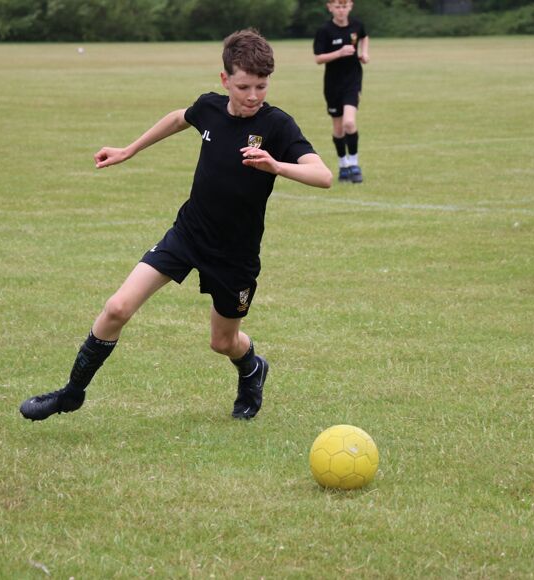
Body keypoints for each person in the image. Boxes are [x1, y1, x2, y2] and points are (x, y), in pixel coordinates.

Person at [19, 29, 333, 421]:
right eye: (243, 87)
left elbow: (323, 176)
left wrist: (276, 166)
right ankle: (71, 394)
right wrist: (129, 150)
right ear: (225, 80)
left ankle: (252, 367)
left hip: (234, 256)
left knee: (223, 342)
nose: (253, 96)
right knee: (117, 307)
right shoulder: (209, 107)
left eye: (261, 86)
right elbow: (178, 118)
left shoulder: (277, 125)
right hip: (187, 235)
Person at [313, 0, 369, 183]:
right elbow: (318, 58)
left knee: (349, 123)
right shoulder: (324, 31)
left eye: (344, 6)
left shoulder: (357, 25)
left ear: (350, 6)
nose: (341, 10)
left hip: (352, 81)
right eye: (337, 7)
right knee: (338, 129)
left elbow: (364, 36)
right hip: (332, 85)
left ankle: (354, 163)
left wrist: (364, 53)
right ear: (330, 7)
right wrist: (339, 52)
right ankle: (343, 165)